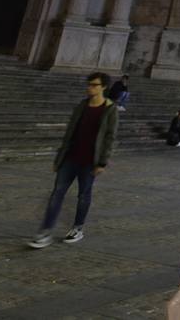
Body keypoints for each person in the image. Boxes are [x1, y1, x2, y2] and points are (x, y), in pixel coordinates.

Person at [28, 72, 120, 248]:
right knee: (56, 194)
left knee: (84, 195)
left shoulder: (110, 109)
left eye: (94, 84)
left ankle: (77, 228)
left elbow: (110, 138)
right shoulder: (82, 106)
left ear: (103, 87)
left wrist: (102, 162)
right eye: (89, 84)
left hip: (90, 161)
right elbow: (69, 133)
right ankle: (45, 232)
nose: (90, 87)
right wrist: (59, 158)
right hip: (70, 158)